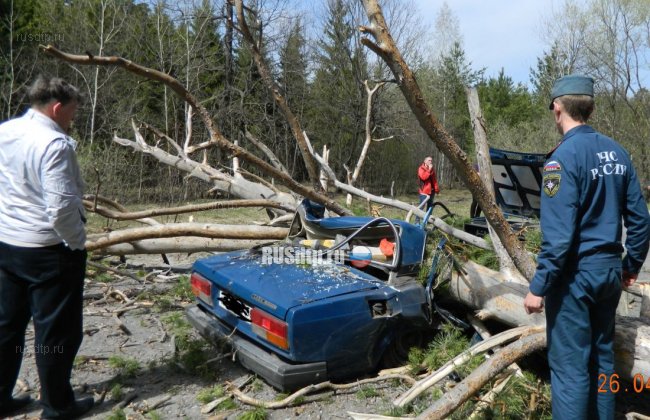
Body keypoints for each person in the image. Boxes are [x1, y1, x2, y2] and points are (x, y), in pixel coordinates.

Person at [523, 75, 650, 419]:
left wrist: (538, 287)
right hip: (608, 275)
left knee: (569, 370)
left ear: (557, 108)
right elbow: (640, 220)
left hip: (574, 280)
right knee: (602, 362)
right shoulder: (619, 154)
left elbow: (560, 238)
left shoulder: (560, 160)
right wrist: (630, 266)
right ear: (590, 108)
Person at [0, 76, 94, 419]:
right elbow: (60, 208)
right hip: (48, 251)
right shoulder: (55, 144)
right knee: (57, 331)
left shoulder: (6, 131)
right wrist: (76, 243)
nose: (72, 119)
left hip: (8, 245)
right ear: (56, 108)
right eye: (71, 112)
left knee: (7, 324)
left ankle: (0, 397)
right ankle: (57, 405)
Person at [416, 156, 439, 222]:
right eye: (429, 160)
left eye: (431, 160)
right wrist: (429, 170)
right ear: (425, 161)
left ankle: (427, 221)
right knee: (421, 207)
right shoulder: (421, 168)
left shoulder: (432, 169)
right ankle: (417, 222)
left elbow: (434, 180)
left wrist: (436, 189)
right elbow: (423, 177)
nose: (430, 162)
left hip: (432, 191)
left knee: (430, 207)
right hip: (424, 191)